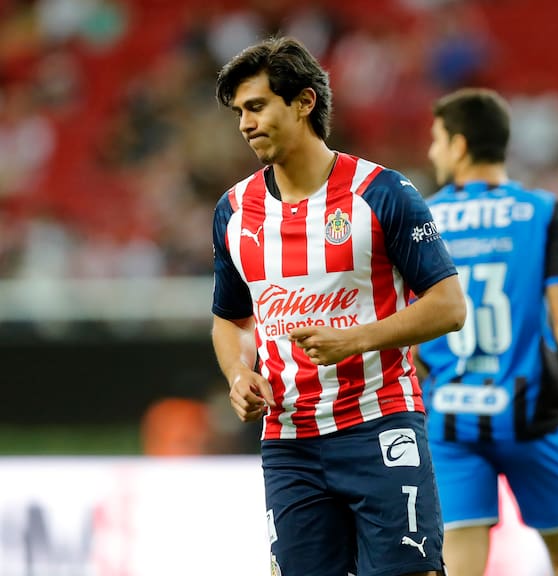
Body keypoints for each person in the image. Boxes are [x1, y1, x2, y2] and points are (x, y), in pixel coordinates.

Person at [210, 36, 465, 576]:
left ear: (303, 102)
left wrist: (356, 339)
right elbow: (230, 320)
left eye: (256, 106)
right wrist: (239, 373)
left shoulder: (383, 192)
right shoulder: (234, 211)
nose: (244, 124)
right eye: (239, 112)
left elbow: (449, 306)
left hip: (380, 425)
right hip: (289, 442)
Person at [416, 88, 558, 576]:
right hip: (532, 416)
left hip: (449, 420)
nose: (431, 152)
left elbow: (412, 324)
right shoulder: (547, 213)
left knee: (458, 565)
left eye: (437, 140)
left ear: (460, 146)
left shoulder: (422, 219)